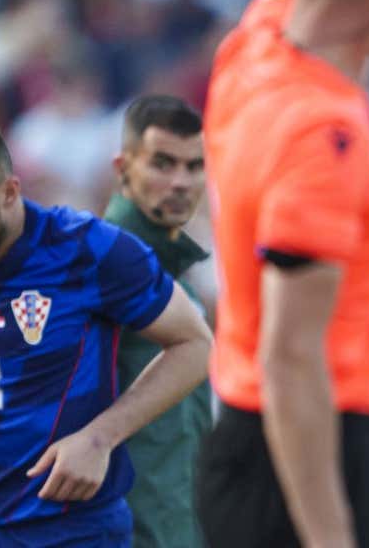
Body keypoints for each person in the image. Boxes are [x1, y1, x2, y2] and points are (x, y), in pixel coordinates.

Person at [197, 0, 369, 547]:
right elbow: (292, 357)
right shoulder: (325, 141)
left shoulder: (250, 47)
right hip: (305, 454)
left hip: (244, 437)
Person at [0, 131, 212, 547]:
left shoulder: (84, 249)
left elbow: (194, 344)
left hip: (66, 531)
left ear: (9, 192)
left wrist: (101, 437)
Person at [104, 95, 211, 548]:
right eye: (162, 164)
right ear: (123, 167)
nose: (181, 182)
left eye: (194, 166)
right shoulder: (96, 271)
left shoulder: (179, 287)